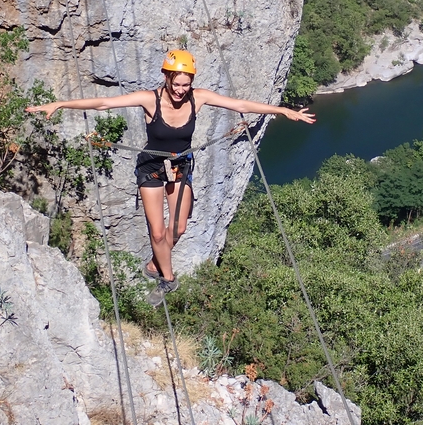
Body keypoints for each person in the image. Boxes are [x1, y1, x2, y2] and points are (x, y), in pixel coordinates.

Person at [26, 50, 315, 306]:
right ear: (166, 77)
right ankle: (168, 278)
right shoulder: (149, 99)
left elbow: (239, 105)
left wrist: (282, 110)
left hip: (179, 167)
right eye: (175, 83)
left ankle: (154, 264)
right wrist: (61, 104)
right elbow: (104, 103)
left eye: (185, 84)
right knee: (157, 232)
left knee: (178, 228)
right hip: (151, 167)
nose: (180, 90)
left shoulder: (198, 98)